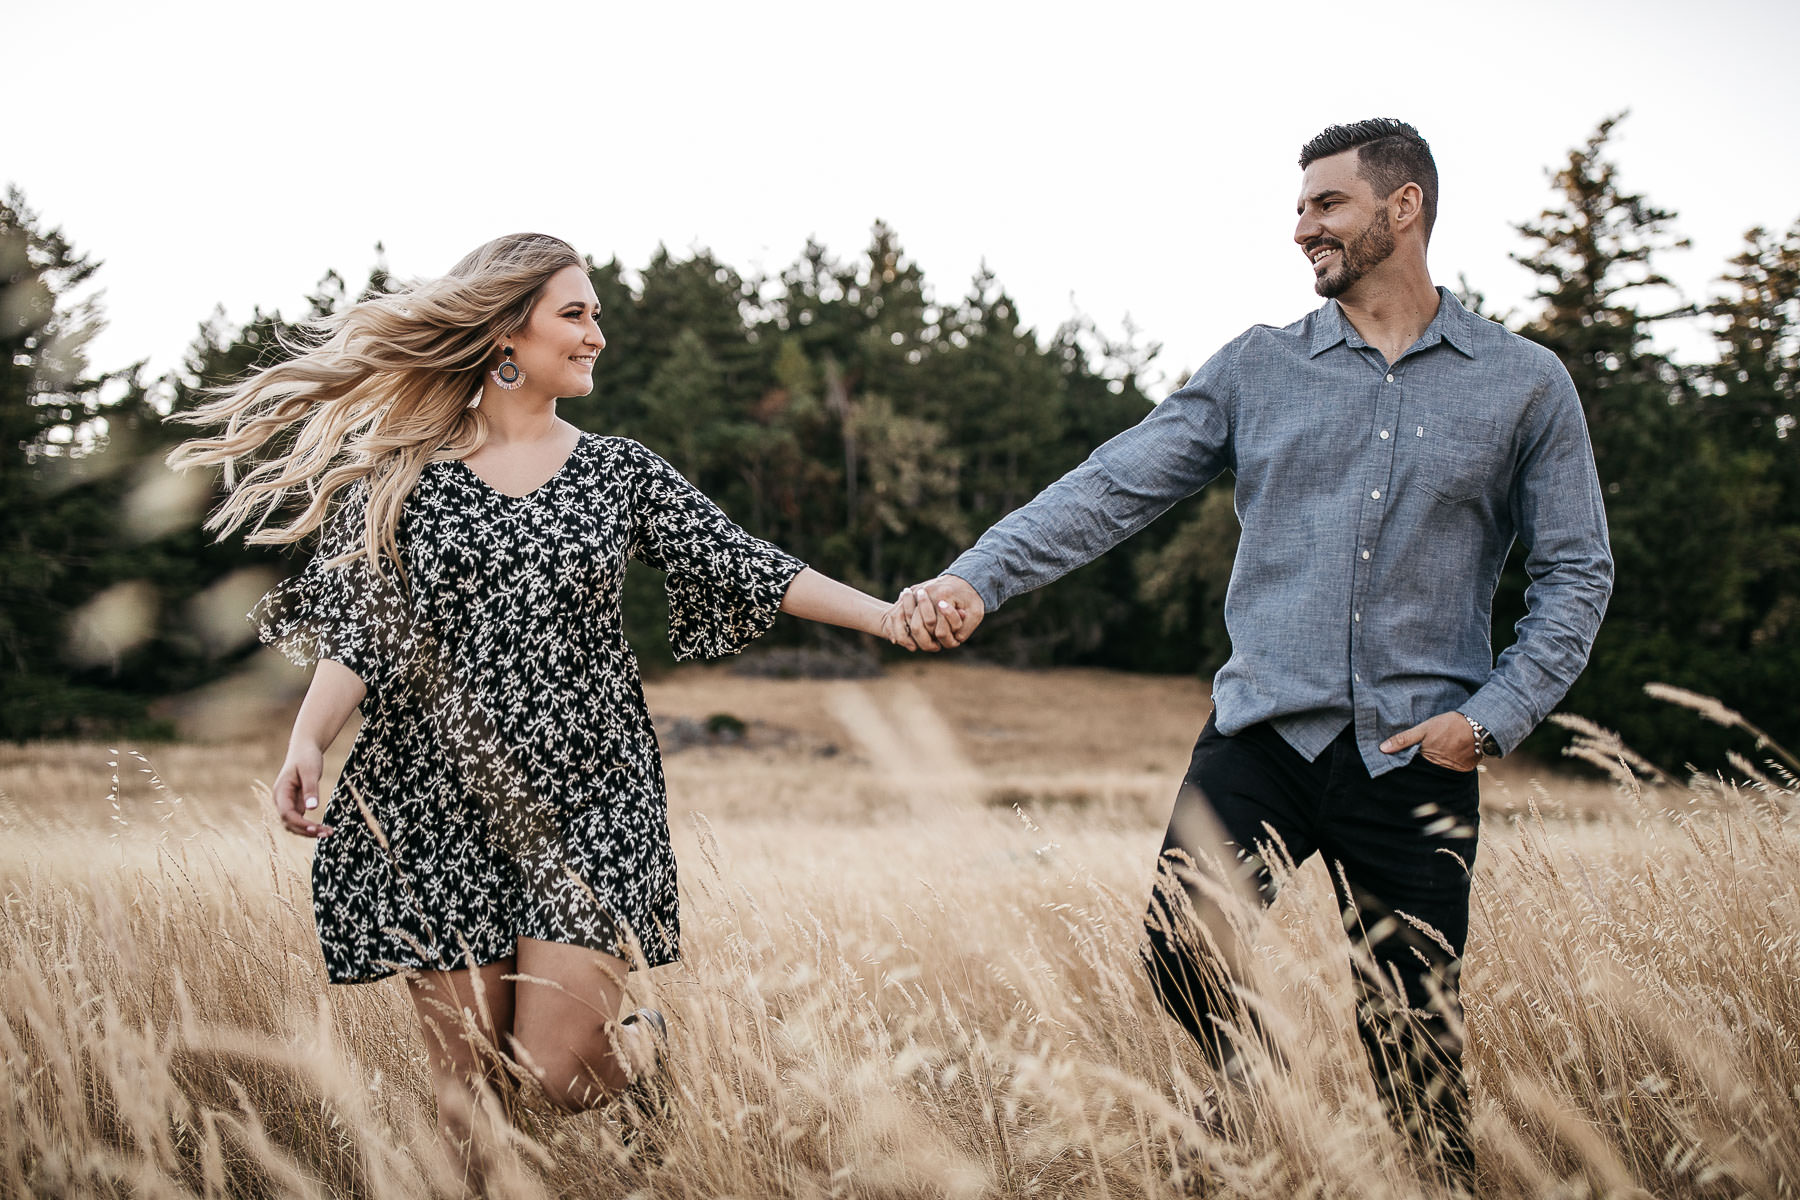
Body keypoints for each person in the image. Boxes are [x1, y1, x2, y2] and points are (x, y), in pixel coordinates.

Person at [897, 119, 1613, 1181]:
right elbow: (1111, 487)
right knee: (1181, 944)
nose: (1302, 228)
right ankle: (1261, 1112)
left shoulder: (1524, 384)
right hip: (1263, 733)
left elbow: (1576, 573)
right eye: (1300, 207)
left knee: (1413, 1044)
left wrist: (1491, 719)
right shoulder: (1260, 368)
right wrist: (977, 575)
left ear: (1402, 206)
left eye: (1326, 204)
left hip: (1419, 755)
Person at [166, 233, 930, 1180]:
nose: (598, 334)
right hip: (433, 796)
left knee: (557, 1071)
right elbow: (364, 631)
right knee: (469, 1094)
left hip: (592, 791)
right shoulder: (399, 478)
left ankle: (645, 1054)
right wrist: (308, 740)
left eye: (595, 313)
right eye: (577, 313)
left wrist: (888, 617)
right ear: (505, 334)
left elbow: (752, 566)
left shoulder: (618, 472)